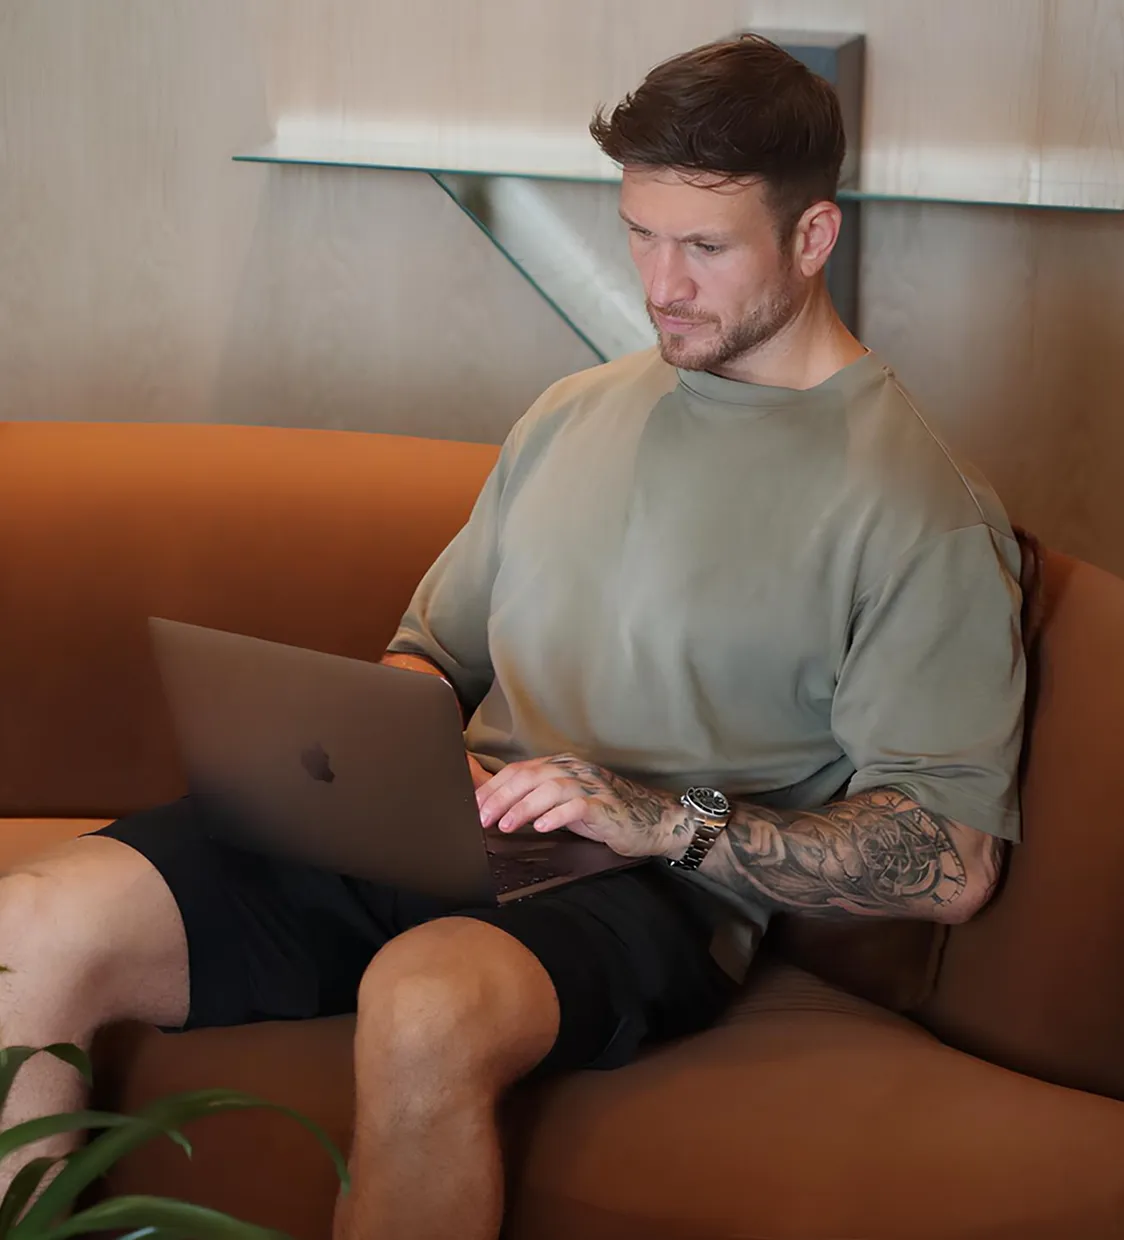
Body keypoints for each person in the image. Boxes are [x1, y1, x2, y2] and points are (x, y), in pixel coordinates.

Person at [0, 33, 1025, 1240]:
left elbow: (950, 858)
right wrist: (383, 757)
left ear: (811, 237)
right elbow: (430, 653)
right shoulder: (572, 412)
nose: (659, 284)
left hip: (649, 893)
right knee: (32, 923)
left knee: (425, 1002)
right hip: (445, 831)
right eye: (637, 232)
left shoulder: (920, 510)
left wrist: (658, 818)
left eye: (702, 247)